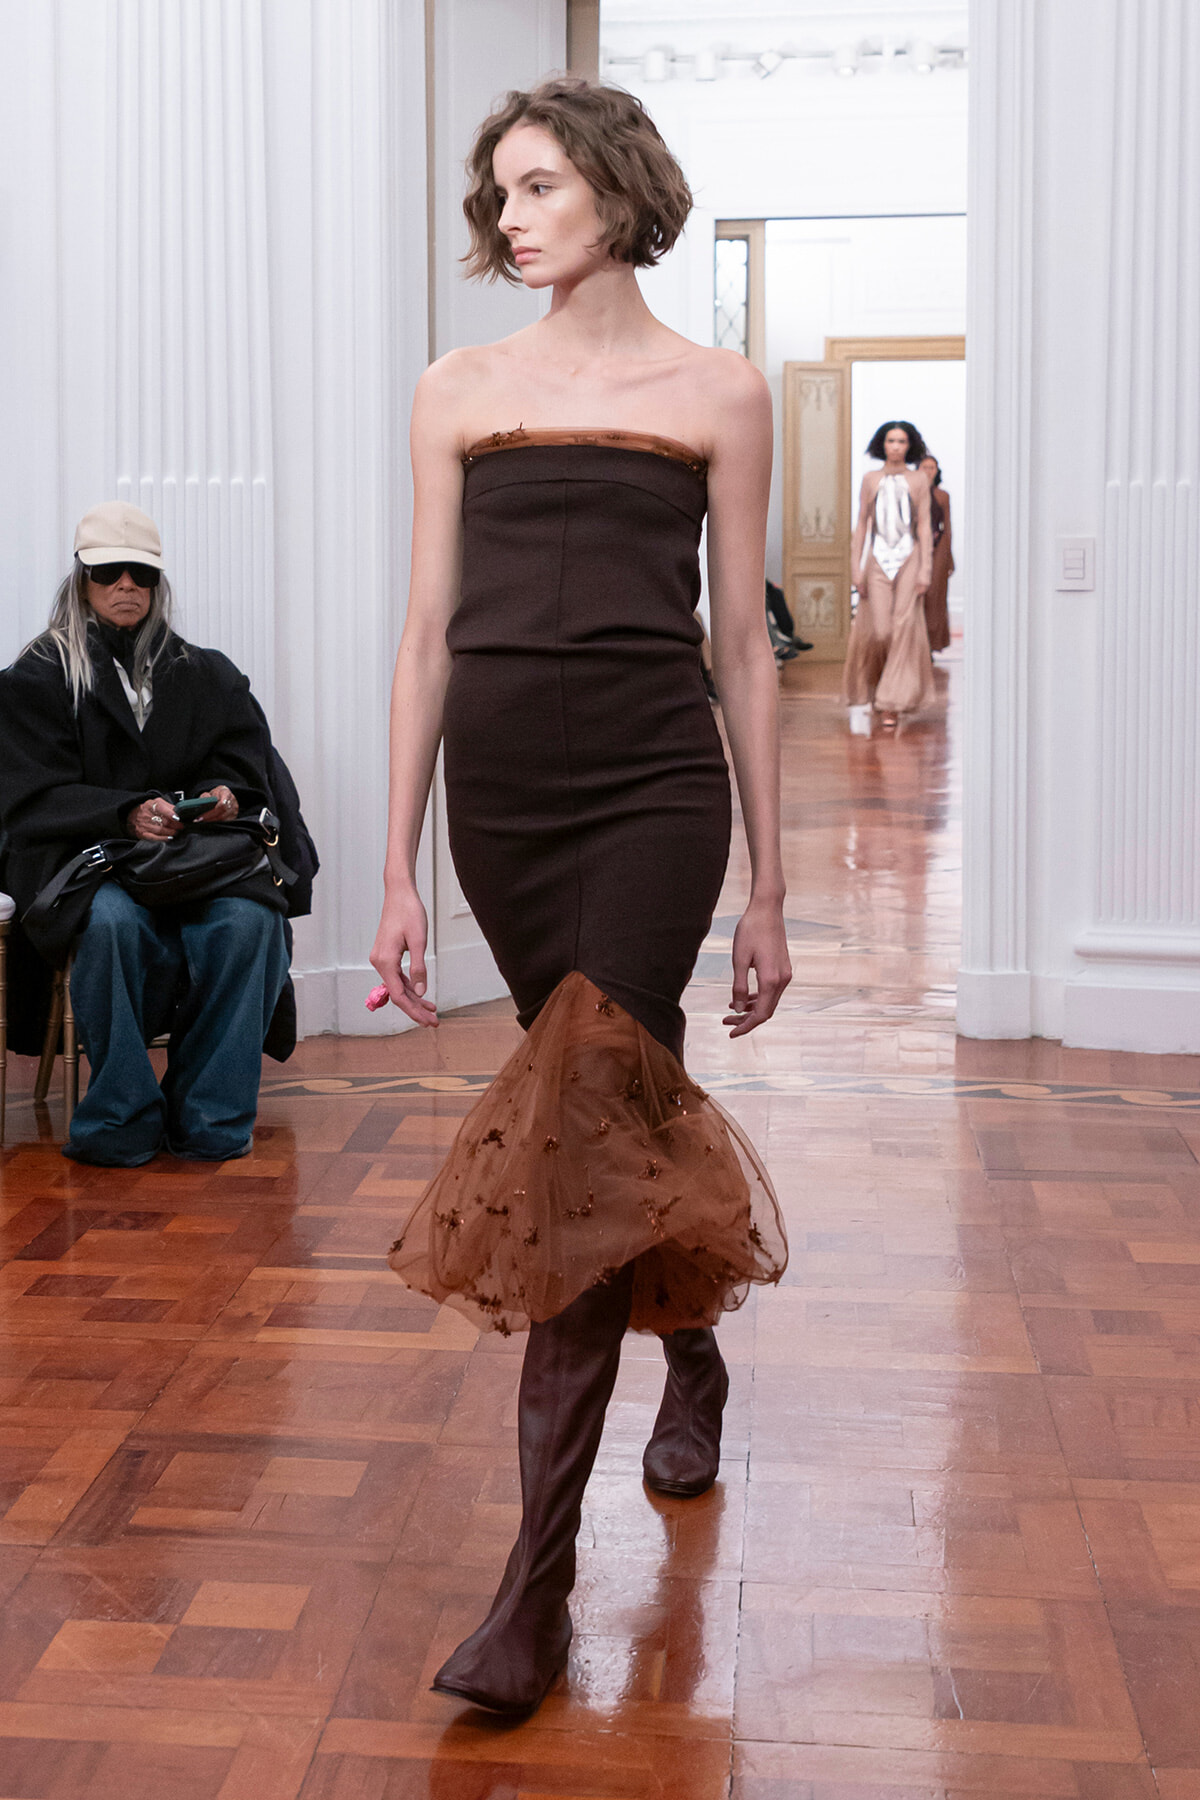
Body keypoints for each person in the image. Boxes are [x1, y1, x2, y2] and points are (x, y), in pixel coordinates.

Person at [370, 77, 790, 1718]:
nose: (511, 216)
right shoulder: (457, 388)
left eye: (538, 184)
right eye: (500, 194)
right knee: (612, 1118)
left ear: (617, 188)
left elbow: (741, 646)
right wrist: (397, 865)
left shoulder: (720, 391)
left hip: (654, 788)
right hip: (504, 802)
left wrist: (770, 887)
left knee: (579, 1131)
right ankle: (692, 1351)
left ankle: (531, 1598)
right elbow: (426, 635)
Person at [0, 502, 291, 1166]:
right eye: (109, 572)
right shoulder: (38, 677)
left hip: (191, 858)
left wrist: (223, 797)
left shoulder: (205, 673)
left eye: (141, 573)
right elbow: (29, 797)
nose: (126, 585)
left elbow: (244, 767)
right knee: (111, 925)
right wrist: (124, 812)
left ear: (158, 582)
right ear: (82, 580)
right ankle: (121, 1116)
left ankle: (212, 1117)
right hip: (87, 860)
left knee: (250, 921)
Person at [842, 420, 935, 728]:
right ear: (882, 444)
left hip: (910, 557)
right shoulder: (870, 479)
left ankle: (890, 703)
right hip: (878, 559)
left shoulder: (919, 479)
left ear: (910, 446)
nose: (896, 446)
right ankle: (879, 687)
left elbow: (924, 525)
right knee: (880, 631)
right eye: (891, 440)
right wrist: (856, 568)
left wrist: (925, 569)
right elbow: (862, 524)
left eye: (902, 441)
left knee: (903, 627)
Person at [918, 453, 954, 653]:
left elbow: (947, 527)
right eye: (925, 467)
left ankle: (932, 644)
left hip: (937, 548)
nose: (928, 471)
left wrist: (949, 557)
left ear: (936, 471)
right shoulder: (910, 493)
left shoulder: (943, 496)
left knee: (935, 596)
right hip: (915, 548)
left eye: (931, 467)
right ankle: (915, 644)